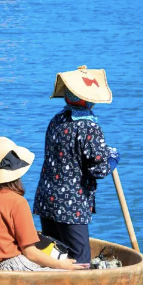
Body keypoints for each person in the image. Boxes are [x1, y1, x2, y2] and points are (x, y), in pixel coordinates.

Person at [32, 66, 120, 268]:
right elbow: (98, 169)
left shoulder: (57, 120)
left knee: (54, 254)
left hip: (48, 197)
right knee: (80, 260)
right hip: (71, 203)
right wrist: (114, 158)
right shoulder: (89, 126)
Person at [0, 137, 84, 271]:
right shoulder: (17, 202)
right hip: (14, 267)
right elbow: (30, 253)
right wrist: (62, 265)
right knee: (64, 270)